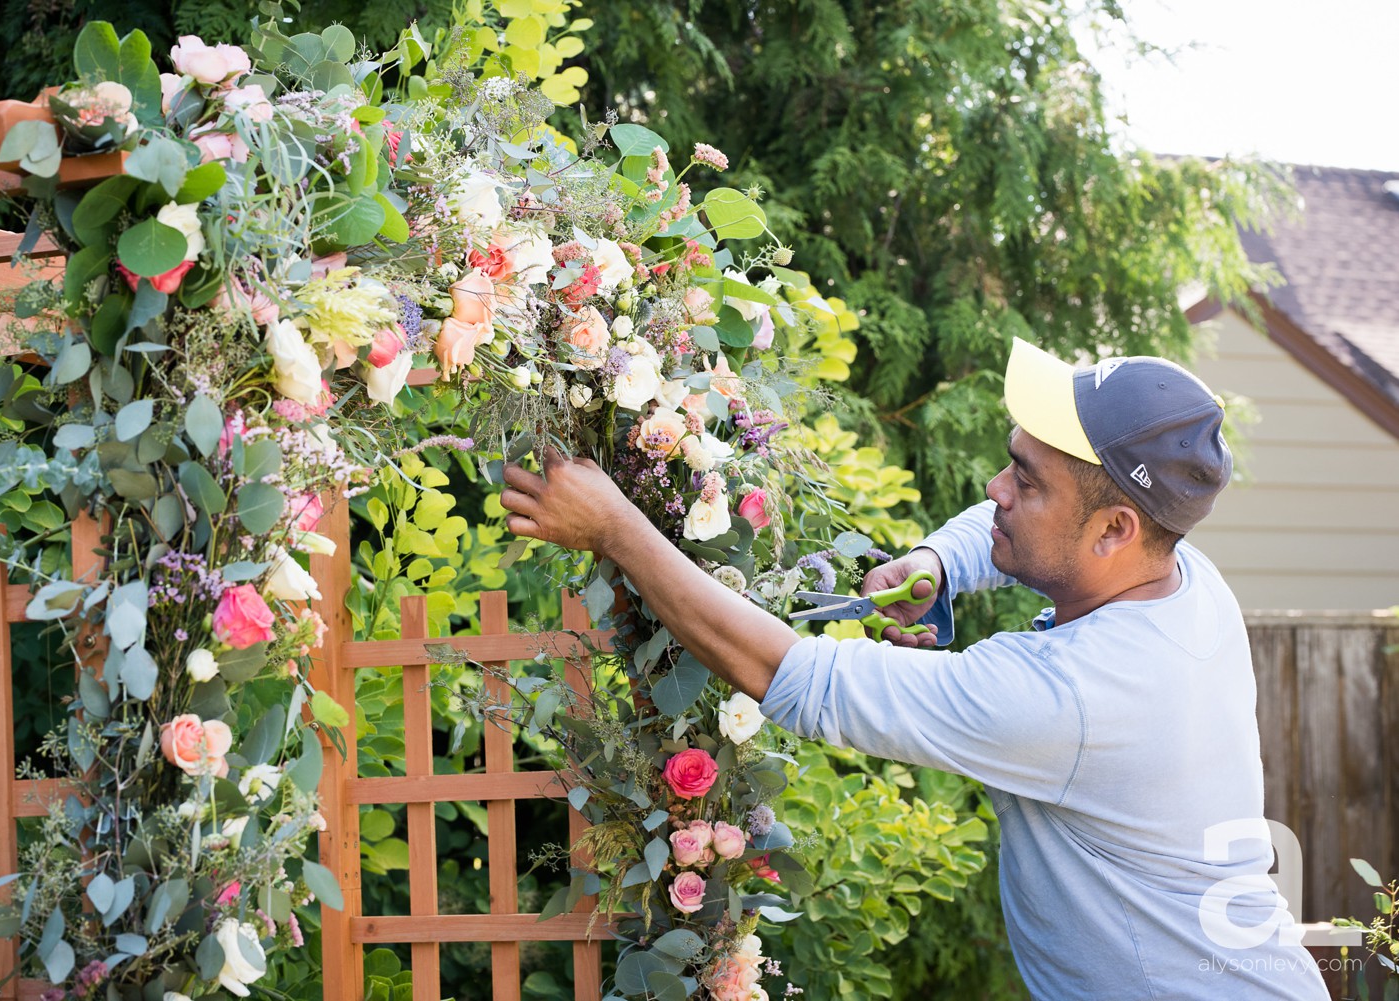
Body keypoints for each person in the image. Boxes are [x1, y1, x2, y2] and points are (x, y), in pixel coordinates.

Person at [499, 337, 1327, 999]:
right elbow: (1018, 535)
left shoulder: (1071, 697)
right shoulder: (1184, 578)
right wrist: (936, 558)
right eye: (1012, 461)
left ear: (1114, 530)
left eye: (1027, 481)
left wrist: (616, 526)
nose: (997, 487)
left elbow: (795, 675)